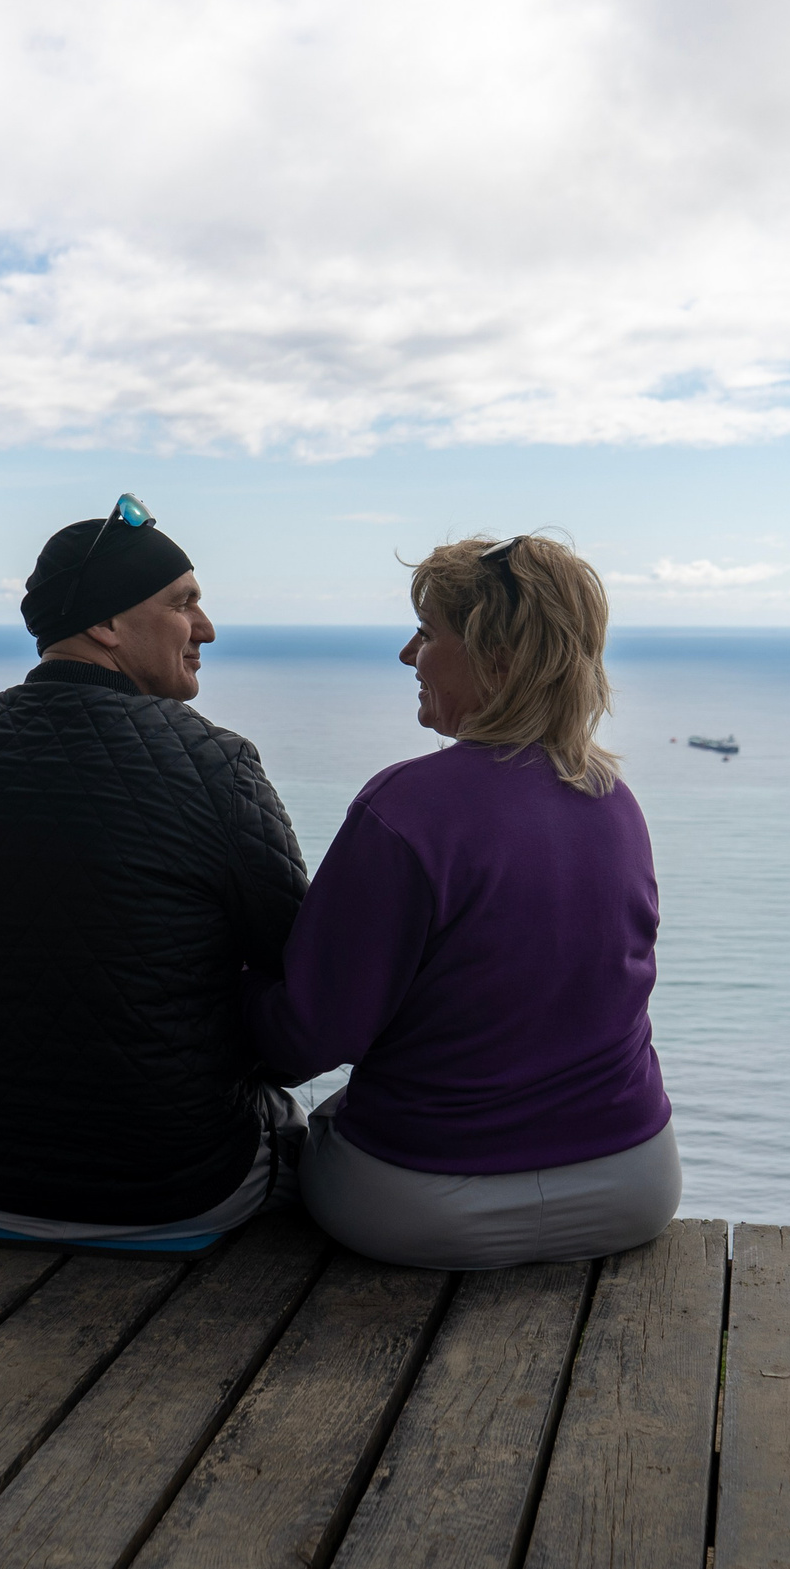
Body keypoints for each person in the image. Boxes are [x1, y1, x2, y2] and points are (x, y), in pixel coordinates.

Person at [0, 495, 309, 1241]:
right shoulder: (213, 761)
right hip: (181, 1186)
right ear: (106, 625)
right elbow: (303, 968)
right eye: (184, 603)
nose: (205, 628)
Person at [246, 534, 678, 1270]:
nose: (410, 656)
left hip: (426, 1204)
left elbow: (307, 1038)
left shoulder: (405, 808)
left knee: (282, 1134)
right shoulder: (614, 800)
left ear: (497, 659)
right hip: (634, 1183)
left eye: (429, 634)